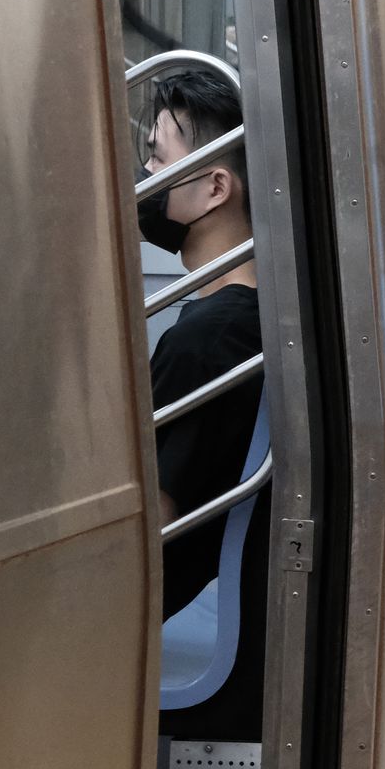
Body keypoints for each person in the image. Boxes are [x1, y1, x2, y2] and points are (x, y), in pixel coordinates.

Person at [140, 70, 263, 620]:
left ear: (216, 186)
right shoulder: (251, 316)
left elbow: (147, 528)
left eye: (159, 158)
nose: (144, 175)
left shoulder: (206, 340)